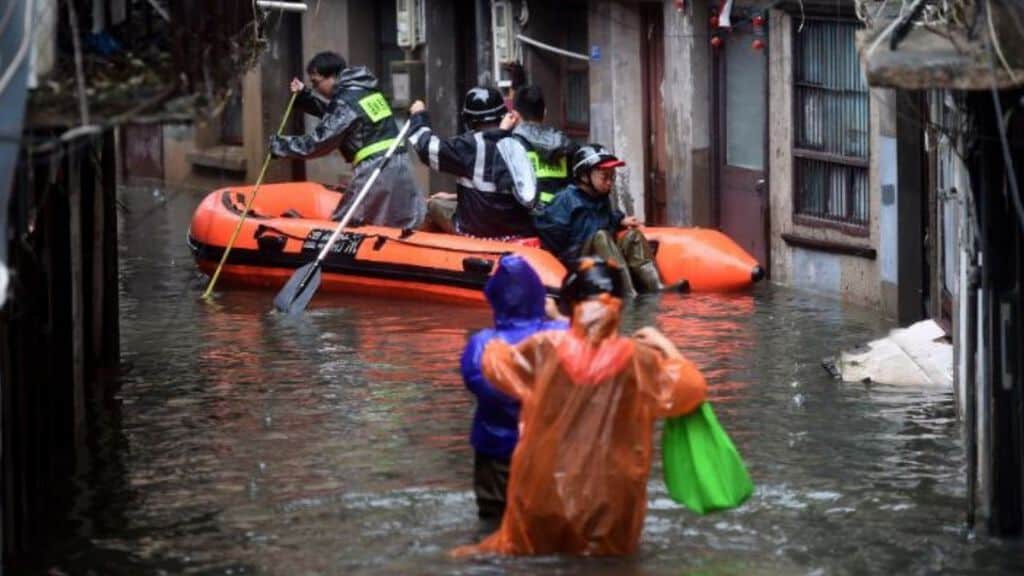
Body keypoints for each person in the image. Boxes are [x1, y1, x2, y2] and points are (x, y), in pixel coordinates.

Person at [453, 257, 708, 557]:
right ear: (619, 304)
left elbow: (493, 366)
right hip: (614, 494)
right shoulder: (638, 359)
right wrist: (665, 346)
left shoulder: (545, 347)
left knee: (528, 551)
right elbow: (690, 388)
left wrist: (513, 331)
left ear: (570, 303)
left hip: (549, 486)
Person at [461, 254, 568, 522]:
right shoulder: (560, 335)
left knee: (493, 519)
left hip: (495, 449)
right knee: (547, 520)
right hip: (548, 451)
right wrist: (560, 317)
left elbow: (479, 383)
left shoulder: (483, 344)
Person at [269, 51, 425, 229]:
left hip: (376, 170)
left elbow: (319, 142)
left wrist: (279, 146)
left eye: (316, 82)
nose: (315, 88)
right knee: (402, 223)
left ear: (333, 76)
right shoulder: (366, 91)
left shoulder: (346, 101)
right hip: (400, 163)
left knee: (346, 225)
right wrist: (305, 96)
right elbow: (340, 120)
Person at [534, 144, 669, 296]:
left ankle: (656, 286)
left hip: (602, 254)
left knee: (633, 237)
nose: (610, 182)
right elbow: (551, 234)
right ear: (585, 176)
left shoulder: (601, 197)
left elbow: (602, 219)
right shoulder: (565, 200)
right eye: (604, 177)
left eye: (612, 177)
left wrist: (619, 219)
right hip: (578, 261)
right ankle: (627, 292)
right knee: (601, 236)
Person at [407, 86, 537, 239]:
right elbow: (500, 191)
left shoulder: (467, 146)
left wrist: (418, 115)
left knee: (430, 206)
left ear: (468, 120)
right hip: (517, 232)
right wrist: (453, 196)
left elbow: (425, 148)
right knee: (442, 202)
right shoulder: (518, 143)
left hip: (475, 232)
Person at [511, 85, 577, 206]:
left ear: (514, 115)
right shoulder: (566, 143)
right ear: (545, 112)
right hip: (562, 217)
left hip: (526, 220)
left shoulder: (511, 146)